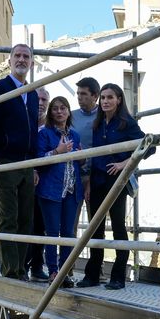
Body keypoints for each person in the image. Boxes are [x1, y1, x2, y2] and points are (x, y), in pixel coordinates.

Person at [76, 83, 151, 290]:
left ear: (119, 99)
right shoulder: (98, 124)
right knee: (94, 228)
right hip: (98, 180)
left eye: (110, 97)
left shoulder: (126, 123)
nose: (106, 101)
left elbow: (147, 146)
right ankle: (92, 275)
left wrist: (123, 164)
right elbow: (95, 155)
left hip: (117, 182)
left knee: (118, 226)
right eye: (103, 98)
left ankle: (118, 276)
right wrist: (89, 182)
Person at [0, 44, 39, 280]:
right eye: (18, 55)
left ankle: (21, 269)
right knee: (8, 218)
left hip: (25, 164)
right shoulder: (0, 88)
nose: (22, 60)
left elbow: (33, 131)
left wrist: (34, 165)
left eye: (26, 56)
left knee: (26, 219)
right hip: (5, 162)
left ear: (32, 63)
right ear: (10, 60)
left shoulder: (33, 93)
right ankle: (10, 271)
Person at [36, 96, 83, 287]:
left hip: (72, 189)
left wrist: (82, 157)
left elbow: (79, 160)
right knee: (52, 233)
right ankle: (53, 271)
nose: (59, 112)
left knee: (68, 234)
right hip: (51, 189)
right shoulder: (44, 134)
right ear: (50, 112)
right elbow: (38, 158)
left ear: (69, 111)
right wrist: (57, 151)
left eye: (63, 108)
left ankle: (65, 272)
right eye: (55, 108)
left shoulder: (75, 135)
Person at [25, 87, 50, 281]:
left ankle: (37, 267)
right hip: (24, 181)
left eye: (44, 100)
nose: (40, 103)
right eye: (38, 99)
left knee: (40, 225)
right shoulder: (24, 123)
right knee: (25, 224)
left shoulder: (50, 129)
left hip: (45, 182)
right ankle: (22, 266)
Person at [71, 77, 100, 233]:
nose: (79, 97)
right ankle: (68, 258)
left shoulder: (104, 116)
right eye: (78, 94)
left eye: (83, 94)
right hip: (74, 175)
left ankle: (95, 258)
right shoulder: (70, 116)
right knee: (70, 224)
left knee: (95, 224)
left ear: (95, 96)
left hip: (96, 176)